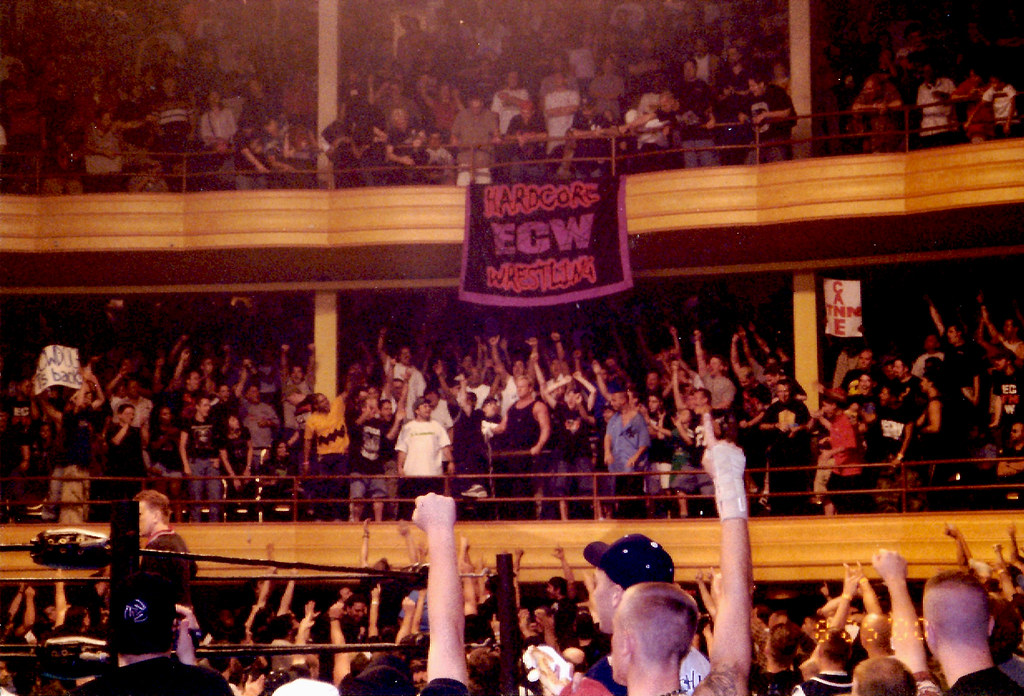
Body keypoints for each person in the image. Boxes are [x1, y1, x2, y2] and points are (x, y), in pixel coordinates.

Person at [70, 572, 231, 696]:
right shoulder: (211, 686)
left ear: (111, 632)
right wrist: (190, 667)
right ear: (176, 630)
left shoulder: (86, 693)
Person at [134, 489, 197, 606]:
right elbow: (193, 569)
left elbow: (150, 592)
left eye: (139, 514)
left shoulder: (157, 546)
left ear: (156, 516)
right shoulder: (178, 539)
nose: (135, 520)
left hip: (166, 617)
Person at [395, 397, 452, 517]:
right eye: (424, 406)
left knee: (433, 512)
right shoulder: (408, 427)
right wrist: (400, 466)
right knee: (411, 510)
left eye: (429, 406)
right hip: (412, 475)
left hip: (433, 475)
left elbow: (445, 446)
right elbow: (402, 449)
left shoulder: (437, 426)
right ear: (417, 410)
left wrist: (451, 461)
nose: (428, 409)